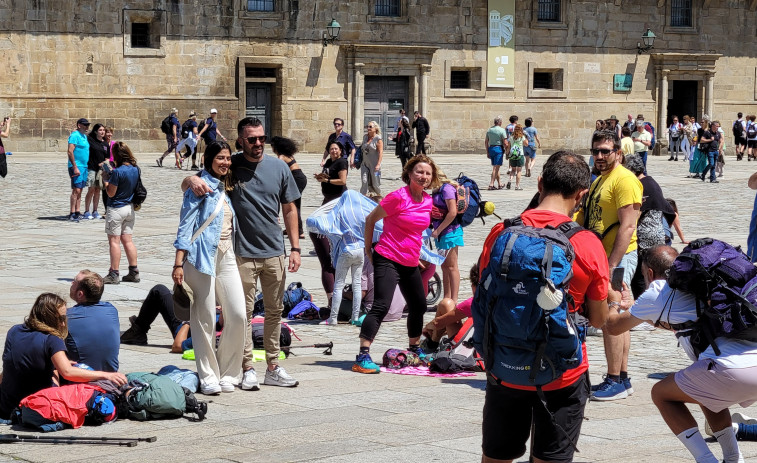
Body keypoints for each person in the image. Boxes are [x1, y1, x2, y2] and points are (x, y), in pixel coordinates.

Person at [477, 151, 610, 463]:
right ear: (582, 195)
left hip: (504, 367)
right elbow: (601, 319)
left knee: (496, 458)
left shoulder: (502, 233)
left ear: (539, 183)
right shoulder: (587, 243)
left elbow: (485, 291)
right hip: (562, 374)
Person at [604, 244, 757, 463]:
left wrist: (614, 301)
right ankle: (734, 459)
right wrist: (635, 307)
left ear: (648, 273)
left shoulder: (658, 291)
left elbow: (613, 326)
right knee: (707, 394)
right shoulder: (704, 286)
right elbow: (676, 321)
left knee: (661, 393)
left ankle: (706, 460)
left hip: (732, 370)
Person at [183, 117, 301, 389]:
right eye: (252, 139)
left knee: (274, 311)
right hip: (242, 254)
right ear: (240, 141)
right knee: (242, 314)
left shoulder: (279, 167)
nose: (258, 143)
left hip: (275, 251)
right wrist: (189, 179)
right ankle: (246, 367)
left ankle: (273, 366)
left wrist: (295, 248)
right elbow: (199, 180)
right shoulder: (230, 164)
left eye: (262, 138)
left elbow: (290, 209)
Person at [353, 155, 442, 374]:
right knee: (381, 305)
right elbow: (371, 219)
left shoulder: (427, 201)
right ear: (409, 174)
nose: (423, 177)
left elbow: (416, 232)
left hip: (410, 260)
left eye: (428, 173)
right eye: (419, 172)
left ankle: (414, 348)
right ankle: (362, 356)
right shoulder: (397, 197)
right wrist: (368, 249)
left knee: (419, 306)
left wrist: (420, 255)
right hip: (388, 256)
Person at [173, 141, 246, 396]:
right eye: (220, 158)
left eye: (227, 158)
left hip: (226, 255)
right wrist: (178, 262)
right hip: (200, 256)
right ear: (209, 159)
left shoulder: (227, 185)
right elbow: (185, 225)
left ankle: (228, 372)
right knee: (203, 318)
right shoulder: (199, 186)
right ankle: (208, 375)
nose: (225, 162)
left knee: (238, 314)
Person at [575, 129, 642, 401]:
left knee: (610, 315)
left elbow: (628, 226)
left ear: (618, 152)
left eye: (605, 151)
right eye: (595, 151)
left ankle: (614, 378)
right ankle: (622, 378)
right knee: (617, 317)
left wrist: (611, 264)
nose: (600, 156)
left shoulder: (624, 180)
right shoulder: (601, 178)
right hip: (603, 256)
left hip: (617, 257)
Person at [0, 293, 127, 420]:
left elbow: (10, 365)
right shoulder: (52, 339)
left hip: (6, 406)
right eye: (60, 318)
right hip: (32, 406)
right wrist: (107, 375)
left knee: (55, 367)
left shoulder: (14, 331)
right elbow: (67, 372)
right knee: (71, 372)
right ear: (48, 317)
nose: (62, 324)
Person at [622, 155, 676, 299]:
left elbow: (636, 214)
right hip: (656, 234)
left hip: (645, 238)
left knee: (641, 274)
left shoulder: (642, 185)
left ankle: (645, 302)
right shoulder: (651, 181)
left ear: (632, 170)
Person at [311, 141, 349, 312]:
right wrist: (321, 178)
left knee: (329, 259)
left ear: (340, 151)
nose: (333, 151)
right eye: (331, 149)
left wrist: (327, 179)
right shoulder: (328, 162)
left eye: (336, 149)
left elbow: (342, 181)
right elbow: (327, 179)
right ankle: (333, 299)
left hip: (337, 203)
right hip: (327, 201)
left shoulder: (342, 162)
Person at [102, 142, 140, 284]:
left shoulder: (117, 172)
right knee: (128, 240)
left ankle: (114, 273)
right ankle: (133, 271)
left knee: (114, 241)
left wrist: (106, 180)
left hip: (116, 208)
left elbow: (111, 193)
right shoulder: (135, 169)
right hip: (129, 208)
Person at [66, 270, 120, 372]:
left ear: (80, 294)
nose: (72, 283)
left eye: (74, 282)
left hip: (80, 378)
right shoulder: (111, 310)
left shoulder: (67, 317)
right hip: (111, 378)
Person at [119, 284, 191, 353]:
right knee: (160, 290)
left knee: (158, 291)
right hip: (193, 317)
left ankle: (137, 331)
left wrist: (188, 321)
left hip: (185, 329)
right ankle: (138, 329)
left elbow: (178, 346)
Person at [422, 263, 478, 350]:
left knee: (446, 304)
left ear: (473, 286)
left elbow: (438, 323)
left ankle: (432, 344)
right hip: (499, 348)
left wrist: (427, 327)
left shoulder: (474, 302)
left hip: (471, 348)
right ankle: (433, 342)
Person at [431, 171, 464, 303]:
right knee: (444, 266)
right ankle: (446, 299)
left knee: (451, 266)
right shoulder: (438, 190)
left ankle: (454, 300)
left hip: (451, 232)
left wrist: (438, 230)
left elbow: (452, 212)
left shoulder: (447, 189)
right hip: (441, 233)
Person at [272, 136, 306, 238]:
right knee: (295, 203)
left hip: (296, 178)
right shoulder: (288, 155)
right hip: (300, 177)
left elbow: (277, 170)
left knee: (293, 205)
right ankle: (291, 228)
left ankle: (299, 231)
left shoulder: (281, 157)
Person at [82, 123, 108, 220]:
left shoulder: (105, 143)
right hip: (92, 168)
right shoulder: (90, 140)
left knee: (98, 190)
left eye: (103, 130)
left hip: (101, 170)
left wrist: (105, 162)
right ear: (96, 131)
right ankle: (86, 211)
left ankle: (95, 211)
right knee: (91, 189)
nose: (102, 132)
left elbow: (107, 157)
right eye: (100, 130)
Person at [67, 118, 90, 222]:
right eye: (85, 125)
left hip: (84, 166)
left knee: (80, 189)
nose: (87, 127)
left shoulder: (84, 136)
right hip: (77, 166)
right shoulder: (74, 136)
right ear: (79, 125)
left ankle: (77, 211)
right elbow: (70, 151)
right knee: (76, 190)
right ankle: (72, 212)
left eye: (88, 125)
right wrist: (74, 166)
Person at [360, 121, 383, 198]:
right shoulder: (365, 137)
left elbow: (380, 152)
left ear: (375, 128)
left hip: (375, 165)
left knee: (376, 184)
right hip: (365, 163)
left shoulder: (378, 139)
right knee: (364, 181)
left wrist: (378, 164)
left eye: (370, 127)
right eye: (367, 126)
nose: (368, 128)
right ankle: (363, 198)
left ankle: (379, 198)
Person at [485, 116, 508, 190]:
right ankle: (491, 184)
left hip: (491, 148)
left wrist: (487, 151)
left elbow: (486, 141)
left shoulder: (489, 130)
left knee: (496, 167)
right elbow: (505, 142)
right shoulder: (502, 130)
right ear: (500, 122)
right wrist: (508, 150)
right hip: (498, 149)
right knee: (495, 168)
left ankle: (499, 184)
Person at [506, 123, 527, 190]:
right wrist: (525, 136)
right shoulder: (522, 137)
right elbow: (526, 144)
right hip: (520, 155)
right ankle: (517, 186)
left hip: (512, 155)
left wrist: (507, 154)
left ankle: (510, 180)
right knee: (519, 171)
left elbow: (508, 147)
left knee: (513, 170)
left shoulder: (511, 137)